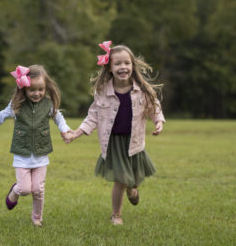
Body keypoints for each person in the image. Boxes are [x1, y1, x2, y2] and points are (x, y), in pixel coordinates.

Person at [64, 41, 165, 225]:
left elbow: (154, 107)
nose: (123, 67)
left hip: (134, 142)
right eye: (117, 63)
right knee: (120, 180)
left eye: (126, 63)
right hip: (114, 143)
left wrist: (158, 121)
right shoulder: (103, 91)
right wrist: (76, 133)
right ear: (110, 68)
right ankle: (116, 215)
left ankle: (132, 189)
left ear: (132, 66)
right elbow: (93, 116)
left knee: (133, 180)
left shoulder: (141, 91)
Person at [0, 64, 72, 227]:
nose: (37, 93)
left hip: (41, 152)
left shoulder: (49, 104)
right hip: (22, 154)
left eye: (41, 89)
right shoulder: (16, 105)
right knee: (25, 189)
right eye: (32, 90)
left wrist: (65, 130)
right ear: (23, 89)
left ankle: (37, 218)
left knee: (38, 189)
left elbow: (59, 118)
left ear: (46, 88)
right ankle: (15, 191)